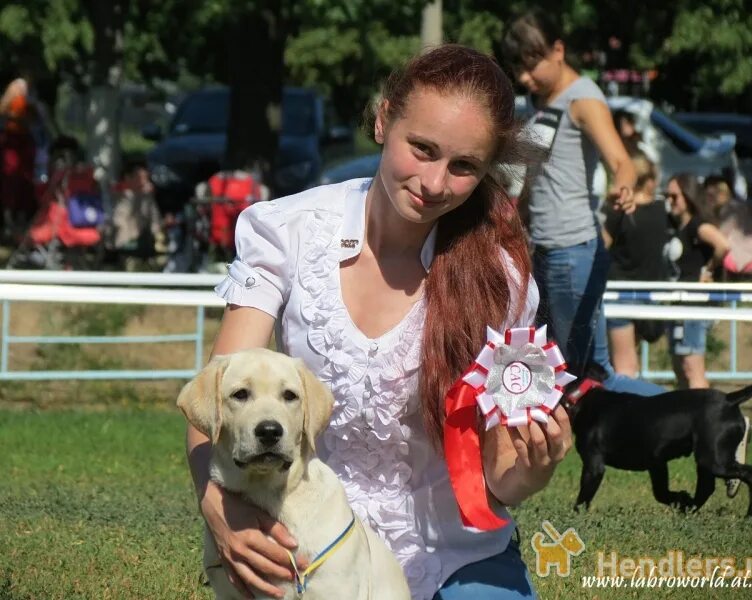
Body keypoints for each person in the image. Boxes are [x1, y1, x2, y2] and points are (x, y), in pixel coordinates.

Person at [185, 45, 572, 600]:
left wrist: (533, 470)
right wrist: (219, 511)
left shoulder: (500, 276)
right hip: (302, 530)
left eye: (463, 166)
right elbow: (220, 393)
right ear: (383, 119)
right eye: (422, 148)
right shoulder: (284, 231)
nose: (435, 182)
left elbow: (496, 475)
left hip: (454, 549)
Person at [501, 11, 662, 396]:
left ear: (558, 50)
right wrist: (510, 221)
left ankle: (706, 415)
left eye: (531, 66)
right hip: (547, 250)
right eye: (517, 70)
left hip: (572, 251)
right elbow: (535, 178)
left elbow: (622, 162)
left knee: (574, 375)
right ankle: (705, 414)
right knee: (596, 374)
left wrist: (622, 188)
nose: (524, 79)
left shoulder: (583, 99)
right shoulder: (539, 104)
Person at [602, 153, 670, 377]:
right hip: (652, 292)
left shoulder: (617, 213)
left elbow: (602, 247)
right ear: (650, 180)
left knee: (624, 367)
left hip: (619, 291)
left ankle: (632, 408)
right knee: (634, 361)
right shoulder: (662, 210)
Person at [665, 173, 729, 389]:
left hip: (694, 307)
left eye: (675, 196)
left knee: (693, 369)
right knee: (681, 369)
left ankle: (702, 420)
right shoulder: (679, 227)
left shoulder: (696, 225)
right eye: (667, 196)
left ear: (688, 196)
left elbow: (722, 244)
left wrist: (709, 269)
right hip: (681, 307)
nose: (670, 201)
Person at [703, 173, 752, 279]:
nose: (708, 200)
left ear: (722, 193)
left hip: (740, 263)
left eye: (711, 196)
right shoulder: (739, 205)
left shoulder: (729, 210)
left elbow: (721, 241)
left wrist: (709, 268)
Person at [0, 77, 37, 241]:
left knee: (24, 183)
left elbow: (31, 121)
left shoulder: (30, 103)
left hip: (24, 145)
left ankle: (21, 221)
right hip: (12, 143)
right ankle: (9, 222)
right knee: (10, 183)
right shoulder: (9, 103)